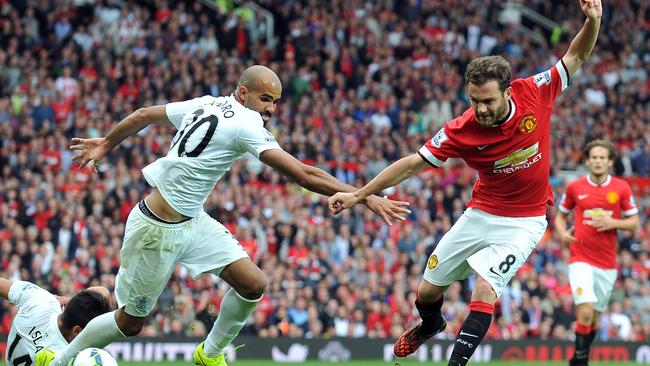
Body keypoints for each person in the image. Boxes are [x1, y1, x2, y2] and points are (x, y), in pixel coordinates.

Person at [36, 65, 409, 366]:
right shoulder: (245, 123)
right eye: (265, 99)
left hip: (191, 220)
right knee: (129, 324)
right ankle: (62, 359)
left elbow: (145, 114)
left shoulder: (207, 103)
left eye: (276, 103)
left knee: (252, 284)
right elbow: (304, 175)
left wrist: (107, 142)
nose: (270, 110)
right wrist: (366, 196)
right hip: (156, 229)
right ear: (243, 94)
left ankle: (209, 353)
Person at [328, 1, 602, 364]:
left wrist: (593, 21)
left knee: (486, 287)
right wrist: (359, 195)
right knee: (426, 293)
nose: (481, 109)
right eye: (474, 100)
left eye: (487, 100)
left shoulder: (534, 91)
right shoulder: (461, 129)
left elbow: (575, 56)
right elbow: (411, 164)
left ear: (507, 91)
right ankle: (429, 326)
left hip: (525, 220)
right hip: (481, 212)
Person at [555, 140, 639, 366]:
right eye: (594, 157)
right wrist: (563, 234)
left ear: (610, 161)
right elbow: (560, 216)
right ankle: (582, 361)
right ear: (587, 160)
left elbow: (634, 223)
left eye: (602, 157)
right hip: (580, 258)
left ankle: (578, 356)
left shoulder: (621, 188)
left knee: (593, 318)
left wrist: (613, 222)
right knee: (584, 311)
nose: (598, 161)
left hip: (607, 264)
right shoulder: (575, 187)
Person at [0, 277, 112, 366]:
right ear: (76, 330)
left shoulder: (40, 299)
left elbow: (103, 292)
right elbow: (104, 292)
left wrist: (76, 302)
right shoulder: (67, 357)